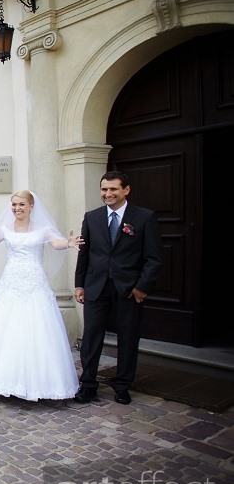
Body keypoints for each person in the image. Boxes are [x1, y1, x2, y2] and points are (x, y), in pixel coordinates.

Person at [0, 190, 83, 401]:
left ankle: (38, 382)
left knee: (37, 328)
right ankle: (0, 378)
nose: (17, 208)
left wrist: (68, 243)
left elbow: (56, 243)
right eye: (13, 205)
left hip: (34, 283)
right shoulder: (5, 228)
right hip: (10, 283)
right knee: (5, 327)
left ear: (31, 206)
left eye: (21, 204)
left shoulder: (43, 228)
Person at [74, 171, 162, 405]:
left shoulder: (144, 217)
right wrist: (79, 284)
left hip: (129, 289)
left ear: (126, 190)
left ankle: (122, 385)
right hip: (96, 286)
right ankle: (89, 384)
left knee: (128, 337)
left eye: (113, 189)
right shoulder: (91, 217)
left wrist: (142, 287)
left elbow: (153, 258)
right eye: (104, 189)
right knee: (92, 336)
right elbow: (85, 253)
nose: (108, 194)